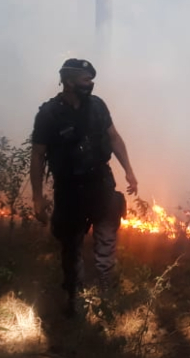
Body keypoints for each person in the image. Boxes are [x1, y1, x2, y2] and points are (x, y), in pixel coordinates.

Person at [30, 58, 138, 317]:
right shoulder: (49, 114)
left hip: (101, 185)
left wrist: (129, 171)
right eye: (85, 80)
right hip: (70, 192)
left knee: (106, 245)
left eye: (91, 80)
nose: (90, 84)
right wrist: (37, 197)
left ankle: (106, 296)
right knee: (71, 247)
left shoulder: (98, 106)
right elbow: (37, 155)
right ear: (69, 81)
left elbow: (113, 137)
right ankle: (75, 299)